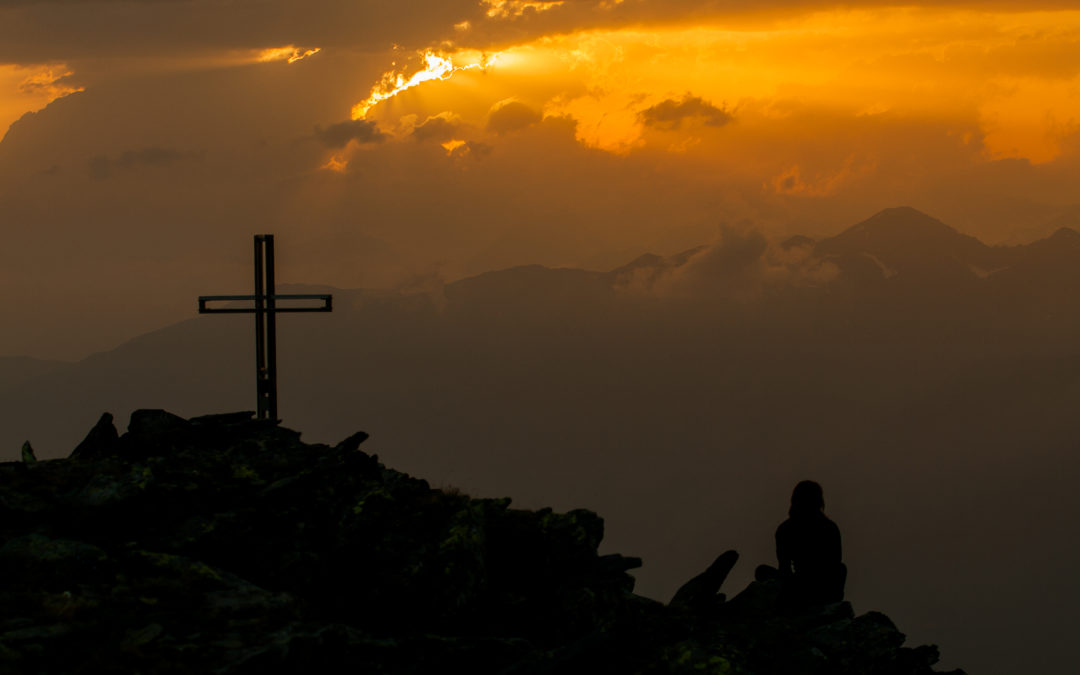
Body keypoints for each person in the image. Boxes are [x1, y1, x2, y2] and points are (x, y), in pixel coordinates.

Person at [773, 480, 846, 605]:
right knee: (841, 569)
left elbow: (784, 566)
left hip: (803, 584)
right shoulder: (829, 527)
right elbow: (836, 561)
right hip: (822, 586)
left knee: (763, 572)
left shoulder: (785, 529)